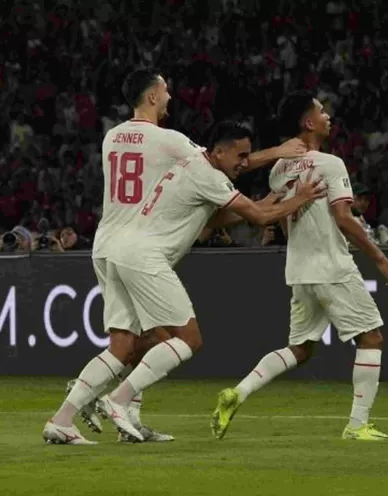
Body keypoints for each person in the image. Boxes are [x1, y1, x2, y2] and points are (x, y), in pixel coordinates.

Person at [43, 70, 306, 445]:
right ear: (151, 97)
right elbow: (226, 161)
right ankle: (115, 402)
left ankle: (71, 414)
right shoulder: (171, 142)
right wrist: (278, 155)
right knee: (178, 338)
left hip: (108, 241)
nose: (170, 97)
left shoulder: (111, 137)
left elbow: (210, 188)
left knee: (131, 343)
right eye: (165, 91)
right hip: (141, 245)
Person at [93, 120, 325, 441]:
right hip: (145, 257)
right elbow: (258, 218)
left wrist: (272, 197)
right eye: (240, 155)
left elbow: (218, 217)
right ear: (218, 151)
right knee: (189, 339)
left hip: (126, 251)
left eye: (247, 155)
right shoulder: (209, 176)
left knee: (153, 339)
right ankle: (114, 400)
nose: (244, 162)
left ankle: (127, 419)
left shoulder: (194, 166)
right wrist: (301, 197)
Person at [211, 91, 388, 442]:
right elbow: (344, 217)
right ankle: (358, 426)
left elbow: (282, 220)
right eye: (322, 111)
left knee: (300, 348)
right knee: (371, 337)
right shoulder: (330, 164)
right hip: (332, 266)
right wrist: (380, 258)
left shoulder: (279, 170)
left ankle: (239, 392)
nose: (329, 116)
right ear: (308, 122)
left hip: (299, 269)